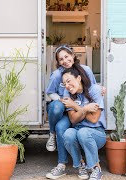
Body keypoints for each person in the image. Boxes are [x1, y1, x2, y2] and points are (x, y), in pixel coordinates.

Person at [45, 45, 97, 179]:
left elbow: (93, 87)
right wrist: (62, 100)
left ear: (73, 55)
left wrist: (101, 88)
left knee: (62, 127)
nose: (65, 61)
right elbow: (50, 92)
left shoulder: (85, 70)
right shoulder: (57, 74)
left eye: (67, 57)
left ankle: (80, 165)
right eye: (61, 59)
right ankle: (60, 162)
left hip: (78, 107)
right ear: (58, 62)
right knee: (58, 116)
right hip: (64, 108)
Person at [61, 67, 106, 180]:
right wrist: (85, 109)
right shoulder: (69, 96)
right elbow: (73, 120)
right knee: (68, 133)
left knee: (83, 132)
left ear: (79, 78)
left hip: (96, 133)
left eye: (68, 81)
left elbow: (94, 119)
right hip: (78, 131)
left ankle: (96, 168)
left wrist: (75, 106)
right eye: (64, 83)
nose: (67, 85)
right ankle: (82, 165)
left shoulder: (95, 90)